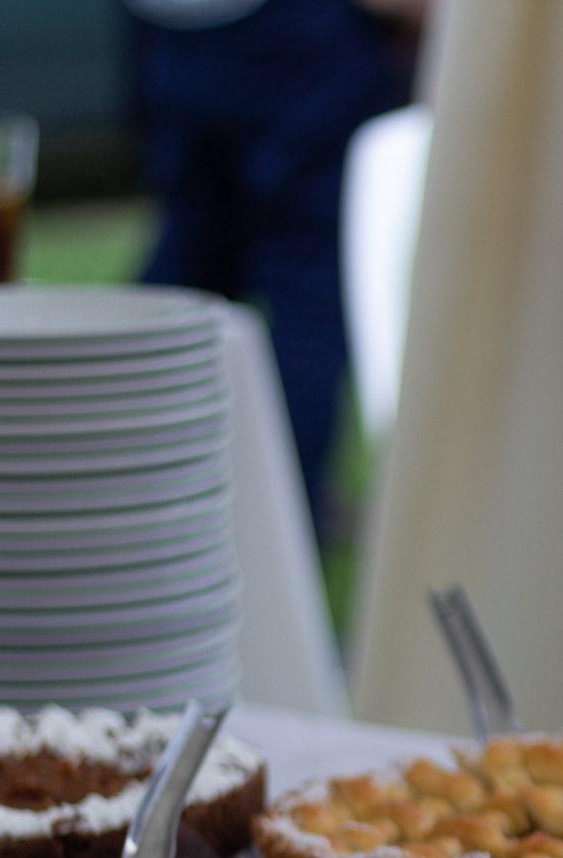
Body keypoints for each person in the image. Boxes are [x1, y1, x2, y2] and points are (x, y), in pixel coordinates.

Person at [128, 0, 416, 542]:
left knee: (188, 277)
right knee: (304, 282)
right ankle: (279, 533)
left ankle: (139, 514)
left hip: (170, 23)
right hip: (286, 26)